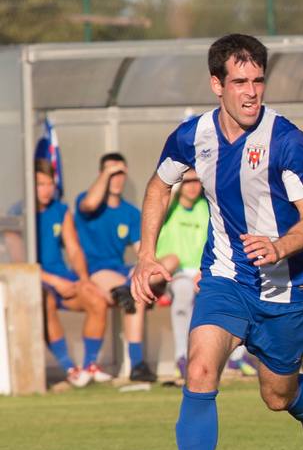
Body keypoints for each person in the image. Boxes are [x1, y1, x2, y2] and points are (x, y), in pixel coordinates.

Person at [131, 33, 303, 450]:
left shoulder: (285, 140)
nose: (251, 92)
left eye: (258, 81)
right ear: (216, 85)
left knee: (277, 394)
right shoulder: (192, 137)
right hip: (225, 277)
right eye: (240, 81)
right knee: (199, 369)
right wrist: (146, 253)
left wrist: (280, 244)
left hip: (286, 289)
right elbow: (160, 185)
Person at [28, 159, 112, 388]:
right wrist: (53, 281)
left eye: (49, 184)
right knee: (44, 302)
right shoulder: (19, 214)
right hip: (36, 281)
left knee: (96, 298)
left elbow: (74, 249)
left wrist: (84, 279)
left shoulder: (60, 210)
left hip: (63, 277)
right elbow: (19, 264)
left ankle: (89, 367)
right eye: (40, 184)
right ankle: (69, 369)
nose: (46, 190)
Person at [73, 152, 153, 382]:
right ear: (101, 175)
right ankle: (95, 364)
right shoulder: (85, 201)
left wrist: (146, 273)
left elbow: (142, 251)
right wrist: (107, 172)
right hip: (93, 273)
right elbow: (90, 203)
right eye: (111, 173)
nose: (116, 179)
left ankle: (136, 366)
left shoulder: (130, 212)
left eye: (120, 173)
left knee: (136, 289)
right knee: (131, 293)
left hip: (119, 272)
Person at [156, 169, 211, 384]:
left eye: (197, 180)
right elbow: (160, 202)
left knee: (227, 290)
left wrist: (203, 271)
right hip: (171, 275)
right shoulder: (170, 207)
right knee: (183, 290)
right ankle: (182, 356)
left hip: (200, 273)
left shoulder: (205, 208)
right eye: (187, 181)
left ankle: (235, 356)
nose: (193, 185)